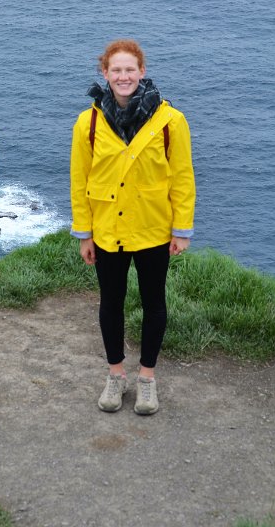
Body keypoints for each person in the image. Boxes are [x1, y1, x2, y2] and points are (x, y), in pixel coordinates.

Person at [70, 39, 195, 415]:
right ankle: (115, 375)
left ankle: (147, 380)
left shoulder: (170, 121)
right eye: (116, 70)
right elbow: (79, 180)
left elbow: (182, 177)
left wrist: (181, 229)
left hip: (153, 228)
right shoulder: (88, 122)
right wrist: (84, 233)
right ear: (105, 73)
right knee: (111, 303)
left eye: (130, 69)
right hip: (108, 229)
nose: (123, 76)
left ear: (142, 71)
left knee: (154, 303)